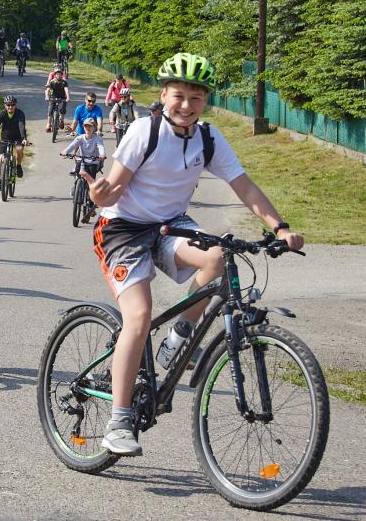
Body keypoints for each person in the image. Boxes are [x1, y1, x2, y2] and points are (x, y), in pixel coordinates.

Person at [83, 52, 304, 457]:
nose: (186, 105)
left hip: (171, 224)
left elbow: (243, 185)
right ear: (163, 95)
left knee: (219, 256)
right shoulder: (144, 132)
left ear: (206, 100)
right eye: (179, 96)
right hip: (123, 228)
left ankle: (179, 336)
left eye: (196, 97)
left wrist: (281, 227)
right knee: (138, 316)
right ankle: (118, 421)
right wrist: (99, 195)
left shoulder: (208, 138)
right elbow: (112, 190)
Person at [61, 118, 105, 214]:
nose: (88, 128)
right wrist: (65, 151)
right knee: (77, 173)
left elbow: (101, 147)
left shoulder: (97, 138)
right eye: (86, 126)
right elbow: (72, 145)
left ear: (94, 127)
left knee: (91, 183)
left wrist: (102, 154)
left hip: (93, 162)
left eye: (90, 126)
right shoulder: (80, 138)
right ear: (83, 127)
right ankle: (76, 187)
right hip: (82, 160)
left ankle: (91, 206)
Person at [0, 95, 27, 189]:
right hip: (5, 137)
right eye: (8, 105)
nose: (10, 107)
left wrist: (24, 138)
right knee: (1, 158)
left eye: (12, 105)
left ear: (15, 105)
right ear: (5, 105)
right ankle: (0, 181)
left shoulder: (20, 113)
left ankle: (18, 166)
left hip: (18, 137)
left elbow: (21, 125)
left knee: (19, 149)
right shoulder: (2, 114)